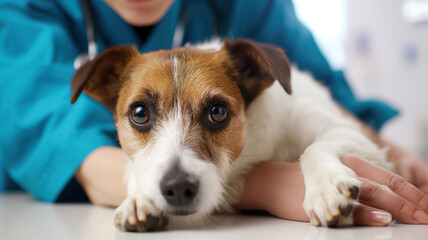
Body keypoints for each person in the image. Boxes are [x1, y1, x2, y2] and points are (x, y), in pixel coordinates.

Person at [1, 0, 428, 227]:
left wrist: (383, 147)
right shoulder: (20, 11)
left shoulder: (253, 10)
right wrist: (254, 184)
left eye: (217, 112)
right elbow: (46, 129)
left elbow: (318, 87)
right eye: (141, 116)